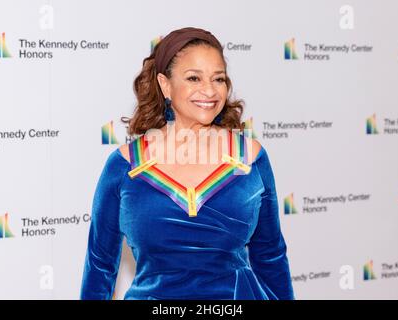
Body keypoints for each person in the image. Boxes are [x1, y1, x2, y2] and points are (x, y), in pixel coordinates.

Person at [80, 27, 294, 300]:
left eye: (219, 79)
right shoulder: (125, 166)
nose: (209, 90)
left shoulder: (250, 158)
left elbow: (270, 256)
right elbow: (100, 265)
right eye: (194, 78)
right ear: (165, 84)